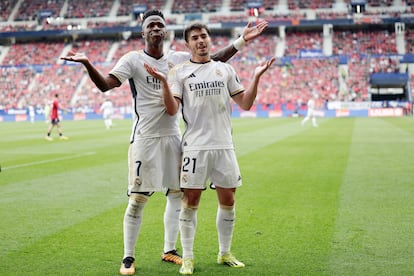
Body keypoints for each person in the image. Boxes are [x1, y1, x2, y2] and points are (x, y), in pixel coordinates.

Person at [61, 9, 268, 275]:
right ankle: (128, 257)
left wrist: (241, 41)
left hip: (173, 137)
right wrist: (88, 63)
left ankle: (170, 249)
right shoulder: (132, 60)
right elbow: (106, 85)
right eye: (151, 25)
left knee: (176, 195)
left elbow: (211, 61)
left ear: (166, 31)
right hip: (144, 138)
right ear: (143, 32)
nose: (156, 28)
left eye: (160, 24)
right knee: (137, 198)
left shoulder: (178, 59)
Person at [145, 22, 275, 275]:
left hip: (224, 145)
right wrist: (163, 82)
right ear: (188, 44)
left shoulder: (225, 69)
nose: (201, 41)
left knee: (229, 200)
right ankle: (189, 258)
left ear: (209, 39)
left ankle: (224, 252)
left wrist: (257, 77)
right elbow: (172, 110)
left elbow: (245, 103)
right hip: (195, 148)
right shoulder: (179, 72)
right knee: (190, 200)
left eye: (204, 36)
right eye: (195, 38)